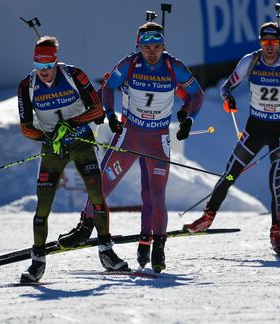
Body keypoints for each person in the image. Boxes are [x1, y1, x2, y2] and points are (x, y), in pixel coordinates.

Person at [58, 22, 205, 273]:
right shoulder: (129, 64)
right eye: (147, 47)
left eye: (157, 47)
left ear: (163, 46)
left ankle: (158, 248)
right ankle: (85, 228)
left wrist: (187, 117)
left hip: (157, 140)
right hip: (129, 137)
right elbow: (107, 88)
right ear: (139, 46)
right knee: (101, 186)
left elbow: (197, 94)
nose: (152, 52)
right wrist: (110, 114)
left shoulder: (174, 66)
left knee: (156, 195)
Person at [183, 22, 280, 255]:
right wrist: (228, 100)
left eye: (273, 42)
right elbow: (226, 88)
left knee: (275, 179)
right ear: (260, 42)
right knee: (230, 174)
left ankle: (277, 232)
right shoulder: (250, 61)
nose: (269, 47)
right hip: (255, 128)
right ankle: (207, 217)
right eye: (265, 42)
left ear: (279, 43)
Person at [17, 36, 128, 283]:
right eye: (39, 66)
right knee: (42, 207)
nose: (44, 72)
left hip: (82, 144)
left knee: (97, 198)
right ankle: (37, 262)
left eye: (48, 66)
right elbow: (26, 128)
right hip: (53, 150)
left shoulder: (74, 75)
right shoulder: (27, 85)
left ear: (56, 61)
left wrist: (70, 124)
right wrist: (47, 135)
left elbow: (97, 110)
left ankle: (106, 252)